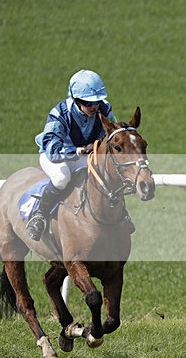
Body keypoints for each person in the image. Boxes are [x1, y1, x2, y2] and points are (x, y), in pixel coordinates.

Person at [26, 69, 117, 240]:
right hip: (55, 156)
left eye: (96, 102)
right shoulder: (59, 113)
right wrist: (77, 150)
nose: (94, 107)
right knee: (62, 178)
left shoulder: (104, 109)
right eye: (88, 103)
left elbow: (113, 131)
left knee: (104, 175)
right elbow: (52, 149)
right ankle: (40, 216)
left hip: (83, 156)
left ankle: (121, 216)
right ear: (76, 99)